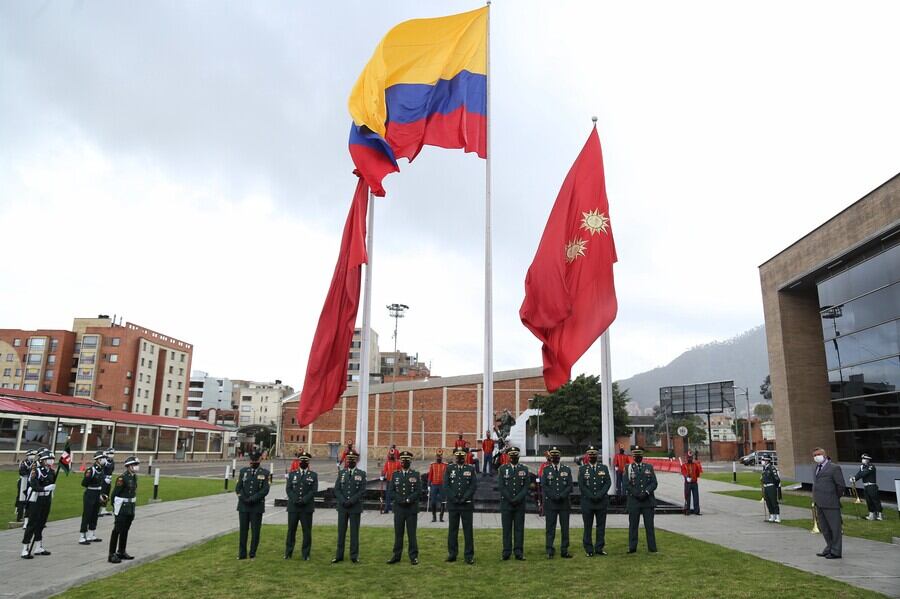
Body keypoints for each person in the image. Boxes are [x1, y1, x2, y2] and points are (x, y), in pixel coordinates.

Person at [387, 450, 422, 565]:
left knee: (412, 534)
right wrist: (400, 500)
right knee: (398, 534)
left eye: (407, 461)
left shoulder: (415, 474)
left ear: (410, 462)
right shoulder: (395, 475)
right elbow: (391, 491)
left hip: (411, 509)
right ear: (400, 462)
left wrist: (408, 500)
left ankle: (413, 556)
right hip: (399, 509)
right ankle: (396, 556)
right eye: (403, 461)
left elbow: (418, 491)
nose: (404, 463)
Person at [443, 447, 477, 564]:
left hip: (466, 504)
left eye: (462, 456)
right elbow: (446, 485)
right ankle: (452, 554)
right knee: (452, 530)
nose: (459, 458)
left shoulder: (470, 469)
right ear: (455, 457)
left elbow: (473, 486)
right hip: (453, 505)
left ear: (465, 457)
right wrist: (454, 497)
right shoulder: (449, 468)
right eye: (458, 456)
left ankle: (469, 556)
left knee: (468, 531)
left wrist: (464, 498)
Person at [21, 449, 56, 559]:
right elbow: (34, 485)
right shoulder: (36, 471)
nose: (50, 461)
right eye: (48, 459)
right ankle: (25, 548)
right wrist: (45, 488)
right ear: (42, 460)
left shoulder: (51, 472)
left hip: (46, 499)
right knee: (32, 524)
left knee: (41, 523)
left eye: (52, 459)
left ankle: (38, 546)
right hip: (36, 499)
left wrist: (50, 489)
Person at [235, 450, 270, 560]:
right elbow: (238, 488)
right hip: (243, 506)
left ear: (259, 460)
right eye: (252, 460)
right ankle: (242, 554)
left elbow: (265, 490)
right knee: (243, 531)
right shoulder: (243, 471)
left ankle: (252, 553)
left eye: (256, 460)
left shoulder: (265, 473)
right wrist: (243, 498)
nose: (253, 462)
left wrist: (252, 499)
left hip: (256, 506)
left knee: (255, 531)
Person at [332, 449, 366, 563]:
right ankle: (339, 555)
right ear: (346, 461)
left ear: (356, 461)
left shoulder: (361, 474)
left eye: (353, 460)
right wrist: (343, 500)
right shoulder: (342, 473)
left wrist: (351, 501)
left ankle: (354, 556)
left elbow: (362, 491)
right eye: (349, 460)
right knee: (341, 532)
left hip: (354, 507)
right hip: (342, 507)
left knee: (354, 533)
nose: (350, 461)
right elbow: (337, 489)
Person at [624, 445, 658, 553]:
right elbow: (626, 484)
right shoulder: (628, 468)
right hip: (634, 501)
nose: (638, 457)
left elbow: (654, 483)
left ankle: (652, 548)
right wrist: (637, 494)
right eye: (636, 455)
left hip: (647, 501)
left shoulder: (649, 467)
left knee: (649, 526)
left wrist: (646, 492)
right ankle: (632, 548)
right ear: (633, 456)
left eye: (639, 455)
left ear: (642, 456)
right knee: (633, 526)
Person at [578, 446, 611, 556]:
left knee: (601, 526)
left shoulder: (603, 468)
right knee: (588, 527)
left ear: (597, 456)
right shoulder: (583, 469)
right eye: (590, 455)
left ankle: (599, 548)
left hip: (601, 502)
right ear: (588, 456)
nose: (592, 457)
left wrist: (600, 494)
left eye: (594, 455)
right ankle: (589, 549)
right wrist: (591, 495)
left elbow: (608, 483)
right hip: (588, 502)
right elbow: (581, 485)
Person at [541, 447, 573, 559]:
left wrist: (561, 495)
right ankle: (550, 550)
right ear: (551, 457)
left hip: (564, 503)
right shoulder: (546, 470)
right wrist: (554, 496)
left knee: (565, 528)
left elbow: (569, 486)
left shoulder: (566, 469)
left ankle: (564, 550)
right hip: (551, 503)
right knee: (550, 528)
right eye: (553, 456)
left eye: (557, 456)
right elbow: (544, 485)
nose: (555, 457)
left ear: (560, 457)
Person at [812, 447, 844, 559]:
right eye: (814, 455)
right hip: (819, 502)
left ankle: (836, 551)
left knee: (835, 528)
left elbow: (840, 486)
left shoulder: (834, 468)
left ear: (824, 455)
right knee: (825, 528)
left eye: (818, 454)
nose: (816, 457)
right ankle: (829, 547)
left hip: (831, 502)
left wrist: (834, 497)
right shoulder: (816, 468)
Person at [285, 451, 317, 560]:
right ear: (299, 462)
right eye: (301, 460)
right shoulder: (292, 474)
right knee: (291, 531)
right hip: (293, 507)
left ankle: (306, 554)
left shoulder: (313, 475)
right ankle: (288, 553)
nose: (303, 462)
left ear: (308, 462)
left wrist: (304, 500)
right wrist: (295, 499)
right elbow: (288, 489)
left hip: (306, 507)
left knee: (307, 532)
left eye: (305, 461)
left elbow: (313, 490)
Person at [108, 455, 140, 563]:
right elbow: (114, 494)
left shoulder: (134, 477)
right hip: (122, 507)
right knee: (117, 530)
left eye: (137, 464)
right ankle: (111, 554)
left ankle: (121, 551)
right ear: (129, 466)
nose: (136, 466)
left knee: (125, 530)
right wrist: (115, 507)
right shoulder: (122, 478)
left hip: (130, 507)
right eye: (134, 464)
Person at [498, 446, 528, 561]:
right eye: (512, 456)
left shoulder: (524, 469)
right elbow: (501, 486)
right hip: (507, 504)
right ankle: (506, 552)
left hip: (519, 504)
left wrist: (517, 499)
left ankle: (518, 552)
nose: (514, 458)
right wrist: (510, 499)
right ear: (509, 457)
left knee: (519, 529)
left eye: (516, 456)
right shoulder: (502, 469)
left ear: (518, 457)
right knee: (507, 529)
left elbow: (526, 487)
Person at [79, 450, 108, 545]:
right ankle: (82, 536)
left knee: (95, 514)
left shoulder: (101, 469)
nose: (104, 460)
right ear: (98, 459)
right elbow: (84, 483)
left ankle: (91, 534)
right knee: (87, 514)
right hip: (90, 493)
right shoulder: (91, 470)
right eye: (103, 458)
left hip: (97, 493)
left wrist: (102, 494)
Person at [850, 453, 883, 521]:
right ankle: (871, 515)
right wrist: (854, 478)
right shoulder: (862, 467)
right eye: (862, 459)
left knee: (875, 500)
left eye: (864, 459)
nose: (863, 460)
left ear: (868, 459)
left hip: (872, 486)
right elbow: (859, 473)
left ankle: (880, 515)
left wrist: (855, 478)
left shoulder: (871, 466)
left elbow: (864, 473)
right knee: (868, 501)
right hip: (866, 486)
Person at [15, 449, 37, 525]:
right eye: (31, 455)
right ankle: (19, 511)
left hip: (30, 482)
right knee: (21, 497)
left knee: (30, 497)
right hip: (23, 482)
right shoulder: (23, 463)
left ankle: (28, 512)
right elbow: (22, 472)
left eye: (33, 455)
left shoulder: (35, 463)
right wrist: (29, 474)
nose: (32, 456)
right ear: (27, 455)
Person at [427, 450, 448, 522]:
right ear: (436, 457)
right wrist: (428, 485)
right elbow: (430, 475)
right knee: (433, 502)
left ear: (442, 457)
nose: (439, 458)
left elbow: (447, 476)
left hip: (442, 485)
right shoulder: (432, 465)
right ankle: (434, 517)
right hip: (434, 485)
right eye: (438, 457)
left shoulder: (445, 465)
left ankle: (441, 517)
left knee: (443, 501)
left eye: (440, 457)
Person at [760, 455, 781, 523]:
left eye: (764, 460)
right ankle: (772, 516)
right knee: (768, 502)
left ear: (767, 460)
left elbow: (777, 479)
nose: (762, 461)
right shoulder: (764, 468)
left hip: (771, 486)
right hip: (766, 487)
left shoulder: (772, 468)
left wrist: (775, 486)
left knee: (773, 502)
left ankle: (777, 516)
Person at [99, 447, 115, 517]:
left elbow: (112, 470)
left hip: (109, 479)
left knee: (107, 494)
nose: (112, 455)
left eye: (113, 453)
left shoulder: (112, 461)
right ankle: (98, 510)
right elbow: (100, 471)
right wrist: (104, 477)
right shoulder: (104, 461)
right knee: (102, 493)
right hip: (103, 479)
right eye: (110, 453)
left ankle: (103, 509)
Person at [536, 451, 552, 517]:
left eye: (549, 456)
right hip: (545, 485)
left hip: (553, 485)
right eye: (547, 457)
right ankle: (544, 512)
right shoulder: (544, 465)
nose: (548, 458)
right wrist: (539, 481)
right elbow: (540, 474)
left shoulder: (555, 465)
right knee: (544, 499)